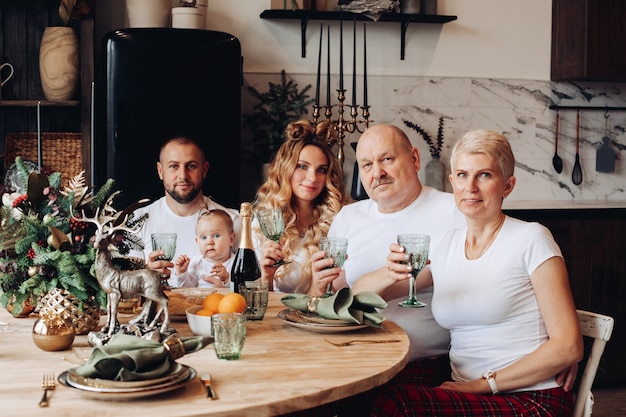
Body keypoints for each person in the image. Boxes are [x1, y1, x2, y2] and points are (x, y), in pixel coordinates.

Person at [369, 129, 583, 417]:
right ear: (452, 182)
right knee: (377, 389)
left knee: (399, 405)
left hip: (530, 397)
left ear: (507, 185)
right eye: (462, 175)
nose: (470, 187)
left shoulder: (531, 238)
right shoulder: (447, 245)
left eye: (484, 175)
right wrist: (390, 270)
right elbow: (366, 294)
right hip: (467, 387)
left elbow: (569, 346)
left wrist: (481, 385)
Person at [313, 123, 464, 363]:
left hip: (421, 362)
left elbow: (416, 279)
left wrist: (379, 279)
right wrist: (319, 285)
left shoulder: (454, 210)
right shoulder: (348, 217)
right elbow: (336, 297)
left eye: (387, 159)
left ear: (414, 159)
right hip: (351, 354)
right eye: (367, 165)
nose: (378, 173)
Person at [252, 119, 349, 294]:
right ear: (285, 169)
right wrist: (266, 277)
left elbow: (341, 293)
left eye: (321, 169)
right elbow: (258, 304)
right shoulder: (263, 225)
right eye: (302, 166)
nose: (312, 178)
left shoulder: (340, 220)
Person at [131, 136, 241, 287]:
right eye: (174, 166)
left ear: (204, 170)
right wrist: (145, 273)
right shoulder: (137, 221)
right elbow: (125, 285)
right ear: (160, 171)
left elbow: (251, 283)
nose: (183, 176)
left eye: (191, 166)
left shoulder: (234, 220)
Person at [174, 209, 235, 288]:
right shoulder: (197, 262)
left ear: (231, 239)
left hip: (226, 299)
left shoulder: (236, 262)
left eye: (216, 235)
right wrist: (182, 273)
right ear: (197, 241)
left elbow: (242, 289)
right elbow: (187, 289)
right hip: (201, 300)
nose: (209, 242)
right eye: (203, 237)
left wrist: (227, 279)